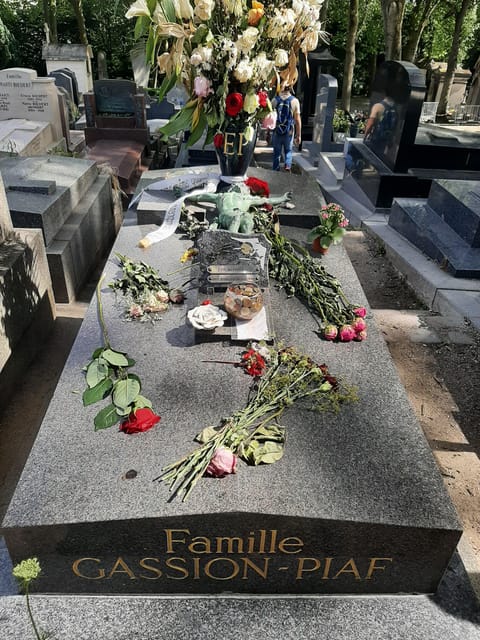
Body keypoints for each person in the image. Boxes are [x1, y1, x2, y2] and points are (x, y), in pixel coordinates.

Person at [186, 188, 292, 234]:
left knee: (248, 220)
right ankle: (232, 241)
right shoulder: (220, 196)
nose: (237, 185)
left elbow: (267, 200)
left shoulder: (247, 198)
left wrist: (282, 198)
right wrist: (184, 194)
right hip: (228, 214)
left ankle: (246, 243)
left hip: (242, 213)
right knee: (235, 219)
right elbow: (199, 197)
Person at [271, 84, 301, 172]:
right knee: (288, 151)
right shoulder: (295, 101)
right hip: (289, 131)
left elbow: (270, 118)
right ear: (291, 88)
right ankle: (287, 166)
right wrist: (298, 135)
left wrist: (268, 132)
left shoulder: (274, 100)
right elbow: (297, 120)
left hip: (277, 131)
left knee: (276, 153)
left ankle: (275, 171)